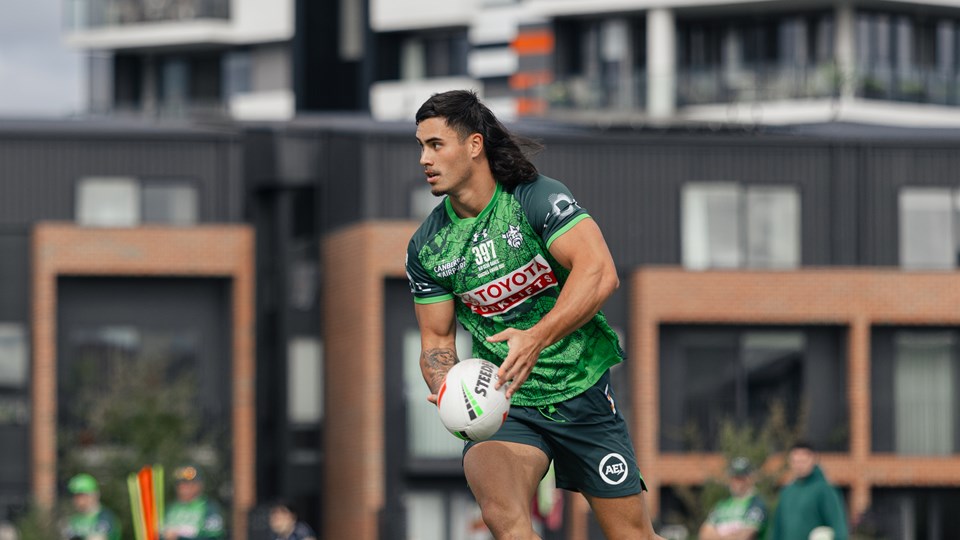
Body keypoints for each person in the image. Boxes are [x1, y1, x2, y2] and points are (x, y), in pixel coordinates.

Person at [405, 89, 663, 539]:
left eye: (435, 145)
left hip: (581, 391)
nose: (424, 159)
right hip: (506, 407)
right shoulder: (427, 247)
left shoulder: (535, 198)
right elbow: (437, 342)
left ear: (473, 145)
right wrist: (445, 386)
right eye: (421, 146)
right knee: (504, 517)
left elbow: (600, 273)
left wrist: (536, 337)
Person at [769, 442, 848, 540]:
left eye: (803, 461)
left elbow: (838, 525)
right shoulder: (786, 492)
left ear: (813, 460)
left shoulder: (825, 490)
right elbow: (777, 528)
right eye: (795, 461)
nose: (799, 465)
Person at [697, 457, 767, 540]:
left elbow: (744, 536)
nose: (736, 482)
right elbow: (704, 534)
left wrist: (717, 536)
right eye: (734, 477)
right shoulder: (722, 505)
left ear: (749, 478)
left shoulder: (756, 504)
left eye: (740, 478)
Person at [162, 465, 225, 540]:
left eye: (188, 484)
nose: (184, 487)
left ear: (199, 485)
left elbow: (214, 536)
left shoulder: (209, 508)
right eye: (180, 484)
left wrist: (180, 537)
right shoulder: (170, 508)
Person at [62, 473, 121, 540]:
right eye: (73, 496)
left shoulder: (105, 517)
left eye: (79, 495)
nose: (76, 500)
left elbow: (100, 538)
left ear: (92, 495)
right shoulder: (73, 520)